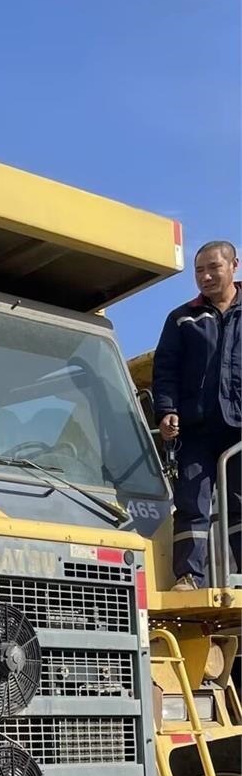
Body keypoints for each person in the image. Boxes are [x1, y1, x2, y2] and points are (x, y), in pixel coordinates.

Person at [153, 239, 241, 589]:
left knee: (240, 504)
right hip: (195, 430)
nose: (205, 276)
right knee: (191, 503)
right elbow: (165, 371)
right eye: (199, 270)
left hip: (239, 430)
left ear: (234, 265)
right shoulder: (181, 318)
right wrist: (166, 411)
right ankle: (188, 576)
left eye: (213, 268)